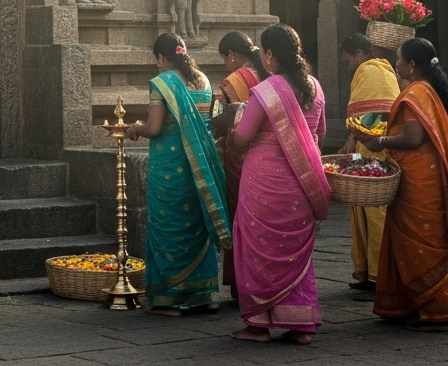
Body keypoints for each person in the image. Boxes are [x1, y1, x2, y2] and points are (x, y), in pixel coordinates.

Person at [352, 38, 448, 332]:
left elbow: (414, 138)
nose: (396, 65)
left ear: (412, 65)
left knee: (422, 244)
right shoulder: (427, 90)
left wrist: (380, 141)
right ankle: (414, 304)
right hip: (421, 177)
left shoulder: (415, 92)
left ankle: (437, 311)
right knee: (414, 242)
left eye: (399, 60)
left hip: (419, 183)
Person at [228, 24, 329, 345]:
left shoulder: (268, 90)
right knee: (294, 253)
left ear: (270, 55)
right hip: (302, 183)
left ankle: (258, 325)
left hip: (265, 183)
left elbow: (242, 138)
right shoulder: (315, 87)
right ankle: (299, 326)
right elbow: (320, 135)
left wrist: (232, 120)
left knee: (260, 248)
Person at [125, 33, 230, 316]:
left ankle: (170, 299)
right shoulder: (204, 81)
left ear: (161, 57)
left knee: (167, 227)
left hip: (170, 169)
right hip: (199, 169)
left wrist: (135, 128)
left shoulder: (162, 83)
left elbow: (155, 128)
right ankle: (207, 295)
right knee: (197, 228)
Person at [340, 32, 399, 299]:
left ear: (361, 54)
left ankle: (378, 277)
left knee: (375, 215)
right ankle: (366, 273)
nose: (349, 65)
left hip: (373, 148)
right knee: (363, 213)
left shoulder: (367, 70)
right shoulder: (386, 70)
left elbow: (360, 116)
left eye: (349, 60)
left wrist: (354, 135)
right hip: (378, 146)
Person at [212, 31, 268, 301]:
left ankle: (240, 283)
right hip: (266, 155)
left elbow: (219, 120)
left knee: (239, 218)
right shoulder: (266, 73)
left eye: (225, 59)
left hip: (238, 157)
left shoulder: (232, 81)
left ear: (231, 55)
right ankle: (262, 280)